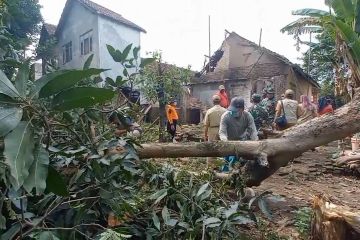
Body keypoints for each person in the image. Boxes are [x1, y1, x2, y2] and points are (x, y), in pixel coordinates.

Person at [219, 97, 258, 171]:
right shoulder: (225, 116)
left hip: (241, 142)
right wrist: (225, 141)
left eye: (235, 110)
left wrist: (255, 143)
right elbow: (222, 132)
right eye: (232, 110)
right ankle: (224, 175)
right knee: (226, 163)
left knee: (236, 164)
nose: (233, 112)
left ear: (242, 109)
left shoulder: (247, 116)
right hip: (229, 142)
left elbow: (253, 131)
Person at [204, 95, 227, 167]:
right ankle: (223, 165)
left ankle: (211, 167)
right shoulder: (225, 111)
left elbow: (206, 125)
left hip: (212, 131)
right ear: (220, 101)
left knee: (211, 149)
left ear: (213, 102)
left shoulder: (209, 111)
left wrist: (205, 135)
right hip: (223, 130)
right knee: (223, 148)